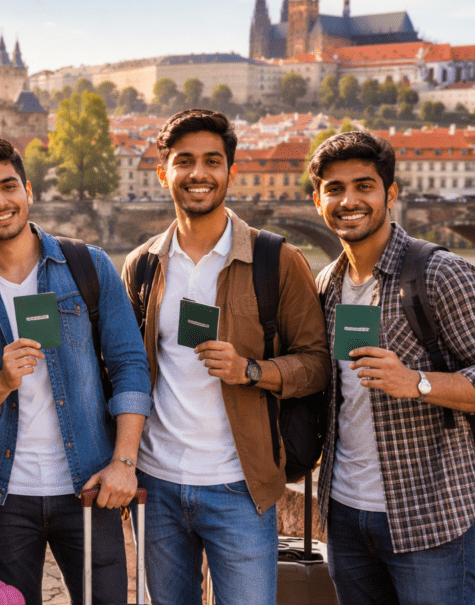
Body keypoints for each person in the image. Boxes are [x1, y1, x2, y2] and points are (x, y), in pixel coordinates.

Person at [120, 109, 330, 605]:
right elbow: (127, 369)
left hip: (240, 484)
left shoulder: (276, 259)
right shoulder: (143, 265)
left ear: (230, 172)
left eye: (212, 161)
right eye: (184, 161)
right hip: (157, 482)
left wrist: (251, 370)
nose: (199, 173)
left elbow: (318, 363)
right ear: (163, 172)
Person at [308, 131, 475, 605]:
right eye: (335, 189)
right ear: (318, 200)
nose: (349, 200)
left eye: (364, 186)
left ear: (390, 193)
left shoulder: (440, 272)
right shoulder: (326, 283)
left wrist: (417, 382)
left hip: (431, 515)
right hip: (344, 513)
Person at [0, 136, 151, 605]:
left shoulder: (88, 265)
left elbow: (130, 367)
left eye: (8, 186)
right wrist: (0, 384)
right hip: (1, 497)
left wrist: (124, 462)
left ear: (29, 191)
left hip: (89, 482)